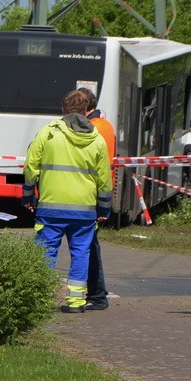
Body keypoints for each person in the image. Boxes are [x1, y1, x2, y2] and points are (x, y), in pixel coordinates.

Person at [22, 90, 112, 313]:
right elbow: (104, 178)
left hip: (51, 207)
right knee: (81, 253)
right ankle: (76, 301)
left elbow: (30, 166)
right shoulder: (97, 139)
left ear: (63, 109)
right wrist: (104, 207)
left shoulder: (48, 133)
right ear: (85, 111)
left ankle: (40, 300)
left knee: (46, 252)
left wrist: (28, 194)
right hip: (84, 210)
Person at [77, 87, 115, 310]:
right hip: (100, 189)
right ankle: (97, 293)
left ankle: (98, 295)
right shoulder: (105, 125)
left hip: (91, 191)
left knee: (89, 245)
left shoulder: (93, 128)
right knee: (90, 243)